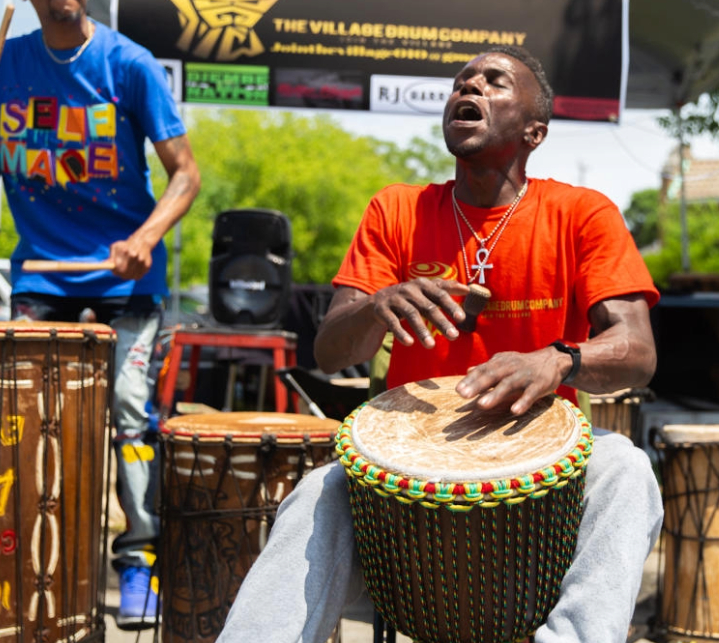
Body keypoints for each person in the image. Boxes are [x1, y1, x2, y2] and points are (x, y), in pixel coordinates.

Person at [218, 46, 662, 643]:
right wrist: (378, 306)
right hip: (406, 468)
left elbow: (636, 349)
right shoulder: (397, 209)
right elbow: (329, 352)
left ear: (535, 131)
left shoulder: (581, 213)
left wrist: (558, 360)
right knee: (314, 495)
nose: (469, 88)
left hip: (539, 463)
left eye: (493, 82)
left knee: (628, 471)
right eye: (461, 82)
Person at [0, 0, 201, 629]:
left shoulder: (129, 64)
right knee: (27, 423)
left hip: (124, 287)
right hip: (42, 282)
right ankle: (36, 559)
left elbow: (186, 174)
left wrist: (144, 238)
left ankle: (138, 561)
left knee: (127, 417)